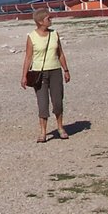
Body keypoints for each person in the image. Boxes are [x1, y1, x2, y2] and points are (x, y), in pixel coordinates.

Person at [21, 9, 71, 143]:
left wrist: (66, 70)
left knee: (58, 101)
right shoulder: (32, 37)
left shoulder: (54, 34)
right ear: (40, 21)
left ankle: (60, 128)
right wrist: (24, 76)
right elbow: (28, 57)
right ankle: (43, 132)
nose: (51, 20)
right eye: (48, 18)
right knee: (43, 103)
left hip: (55, 71)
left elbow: (60, 53)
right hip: (39, 73)